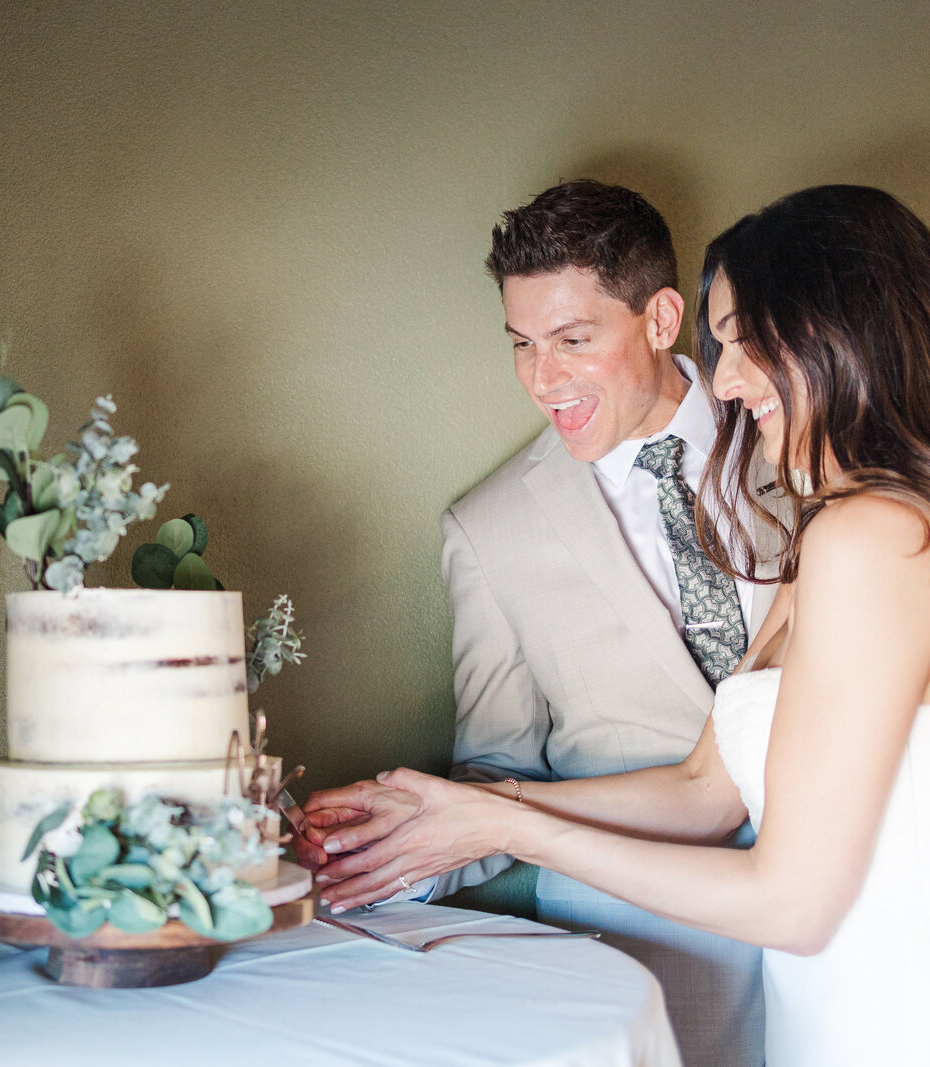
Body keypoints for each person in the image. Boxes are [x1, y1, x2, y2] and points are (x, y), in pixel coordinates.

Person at [306, 185, 930, 1066]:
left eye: (741, 341)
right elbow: (707, 789)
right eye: (721, 343)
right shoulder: (844, 524)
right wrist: (467, 810)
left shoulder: (867, 533)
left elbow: (793, 904)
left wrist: (513, 829)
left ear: (836, 331)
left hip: (899, 1005)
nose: (726, 378)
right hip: (812, 993)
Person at [298, 179, 771, 1067]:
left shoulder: (800, 440)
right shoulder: (488, 531)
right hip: (647, 966)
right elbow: (496, 771)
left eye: (572, 340)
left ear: (662, 318)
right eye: (521, 344)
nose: (542, 378)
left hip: (849, 933)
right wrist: (377, 850)